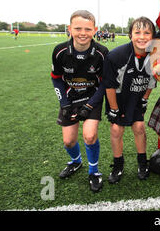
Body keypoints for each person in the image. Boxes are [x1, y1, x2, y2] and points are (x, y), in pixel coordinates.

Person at [50, 10, 109, 193]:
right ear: (69, 29)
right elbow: (56, 78)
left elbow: (105, 83)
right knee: (68, 141)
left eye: (87, 29)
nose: (82, 33)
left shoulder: (102, 52)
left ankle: (94, 171)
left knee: (89, 136)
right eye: (77, 28)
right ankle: (76, 162)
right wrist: (64, 103)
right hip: (70, 99)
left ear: (95, 30)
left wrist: (91, 105)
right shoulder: (60, 51)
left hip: (93, 97)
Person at [103, 17, 156, 183]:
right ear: (130, 35)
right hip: (118, 99)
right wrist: (114, 108)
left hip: (136, 98)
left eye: (147, 33)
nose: (142, 36)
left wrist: (145, 99)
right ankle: (118, 164)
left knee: (139, 127)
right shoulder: (117, 56)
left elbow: (151, 81)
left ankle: (142, 162)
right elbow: (110, 85)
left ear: (153, 36)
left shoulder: (155, 56)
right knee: (116, 130)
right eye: (137, 32)